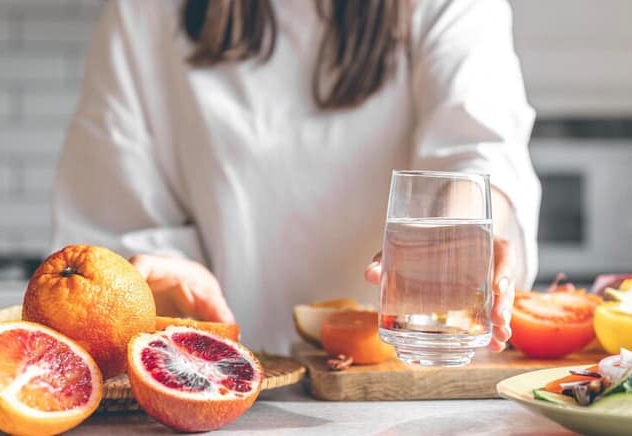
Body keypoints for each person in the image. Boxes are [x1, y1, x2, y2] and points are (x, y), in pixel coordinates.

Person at [53, 0, 541, 354]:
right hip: (224, 387)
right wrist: (158, 289)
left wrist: (457, 240)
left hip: (407, 379)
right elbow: (115, 215)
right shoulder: (144, 16)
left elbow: (478, 148)